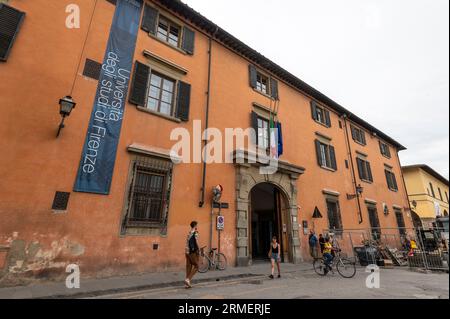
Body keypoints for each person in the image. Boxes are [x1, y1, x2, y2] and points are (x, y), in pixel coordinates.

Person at [185, 221, 200, 288]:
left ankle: (187, 283)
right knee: (197, 266)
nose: (197, 226)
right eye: (197, 225)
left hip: (187, 251)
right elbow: (196, 241)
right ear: (195, 225)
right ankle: (188, 279)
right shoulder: (195, 232)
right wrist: (199, 249)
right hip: (192, 252)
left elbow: (188, 242)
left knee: (189, 266)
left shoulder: (189, 233)